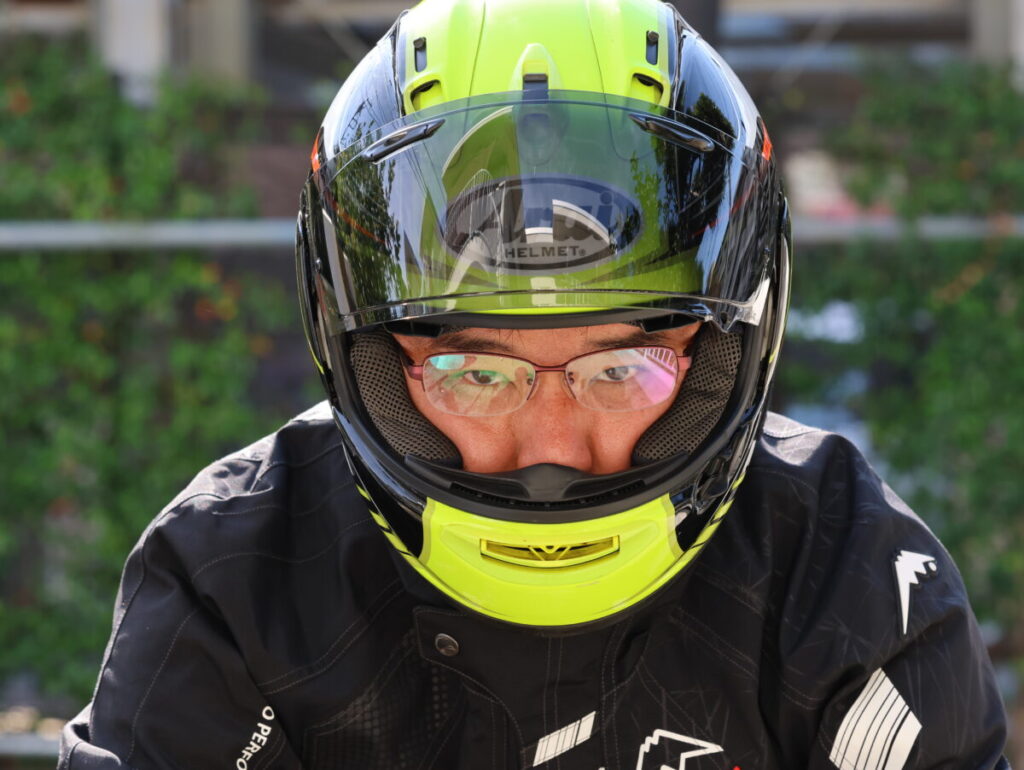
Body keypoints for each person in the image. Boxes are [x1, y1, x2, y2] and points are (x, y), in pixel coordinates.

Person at [59, 0, 1010, 767]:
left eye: (621, 369)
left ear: (725, 349)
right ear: (368, 357)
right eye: (475, 372)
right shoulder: (237, 577)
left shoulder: (843, 573)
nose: (552, 450)